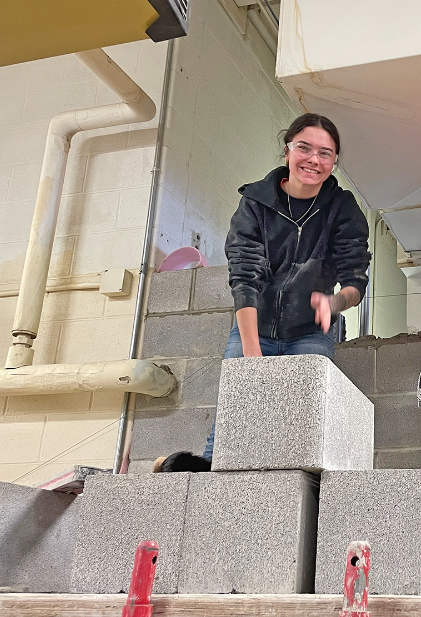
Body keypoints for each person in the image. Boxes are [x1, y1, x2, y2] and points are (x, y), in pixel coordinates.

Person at [153, 113, 371, 473]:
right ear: (287, 150)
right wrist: (252, 351)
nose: (313, 160)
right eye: (304, 148)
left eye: (325, 153)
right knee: (236, 413)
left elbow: (355, 279)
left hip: (311, 333)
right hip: (255, 324)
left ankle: (292, 487)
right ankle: (206, 473)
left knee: (302, 417)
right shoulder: (256, 202)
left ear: (334, 162)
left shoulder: (343, 209)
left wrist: (335, 302)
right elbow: (245, 278)